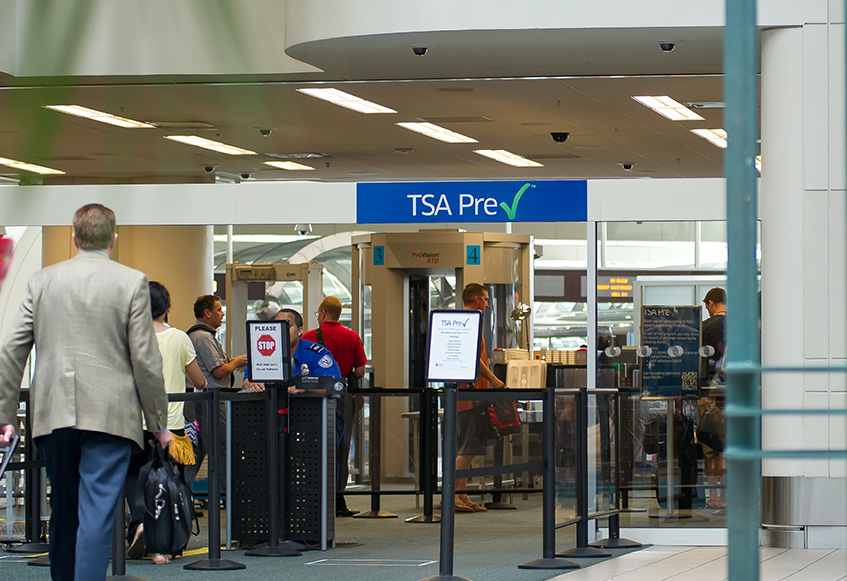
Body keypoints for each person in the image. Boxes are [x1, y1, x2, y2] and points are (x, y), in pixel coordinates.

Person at [0, 203, 172, 581]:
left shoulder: (41, 281)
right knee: (96, 510)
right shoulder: (131, 282)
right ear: (114, 239)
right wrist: (158, 422)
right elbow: (145, 359)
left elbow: (11, 349)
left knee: (63, 505)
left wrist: (6, 417)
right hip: (110, 415)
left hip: (53, 412)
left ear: (73, 238)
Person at [125, 281, 207, 565]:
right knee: (164, 482)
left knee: (134, 476)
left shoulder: (129, 337)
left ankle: (138, 524)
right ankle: (161, 546)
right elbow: (199, 381)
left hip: (134, 421)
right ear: (166, 308)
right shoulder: (180, 338)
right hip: (170, 424)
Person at [302, 296, 367, 517]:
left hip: (311, 398)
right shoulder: (352, 337)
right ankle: (337, 499)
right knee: (341, 448)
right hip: (341, 398)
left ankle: (311, 497)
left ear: (322, 313)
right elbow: (359, 371)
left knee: (311, 446)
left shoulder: (308, 337)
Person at [182, 295, 248, 488]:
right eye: (219, 310)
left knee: (199, 448)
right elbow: (218, 371)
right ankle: (227, 491)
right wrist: (236, 362)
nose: (222, 313)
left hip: (203, 400)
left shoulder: (203, 335)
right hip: (209, 400)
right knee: (221, 445)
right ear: (207, 313)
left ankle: (183, 490)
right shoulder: (202, 337)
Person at [453, 283, 505, 513]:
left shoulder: (469, 320)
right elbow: (473, 358)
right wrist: (493, 379)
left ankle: (461, 494)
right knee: (467, 447)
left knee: (469, 446)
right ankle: (452, 495)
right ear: (475, 299)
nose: (487, 302)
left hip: (471, 393)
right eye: (484, 299)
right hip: (468, 394)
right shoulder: (469, 320)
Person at [699, 287, 726, 510]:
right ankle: (728, 496)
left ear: (710, 303)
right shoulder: (742, 326)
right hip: (736, 395)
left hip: (708, 392)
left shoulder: (705, 327)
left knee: (710, 446)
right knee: (729, 446)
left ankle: (714, 496)